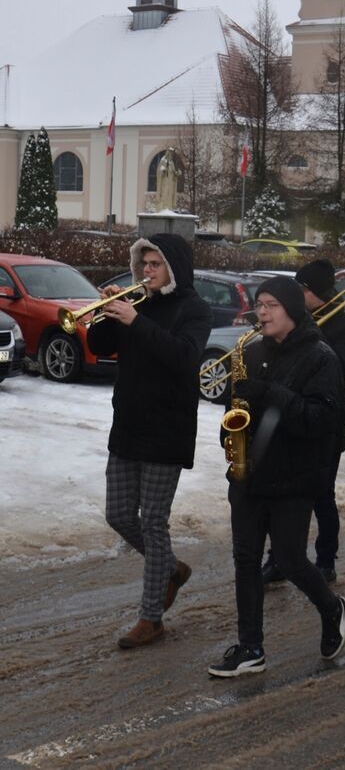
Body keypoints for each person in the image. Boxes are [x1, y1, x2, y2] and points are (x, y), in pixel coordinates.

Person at [208, 277, 345, 677]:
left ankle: (330, 607)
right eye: (258, 304)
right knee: (246, 559)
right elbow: (238, 407)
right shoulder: (250, 352)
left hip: (294, 477)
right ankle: (251, 647)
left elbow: (320, 419)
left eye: (270, 304)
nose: (261, 312)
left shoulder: (321, 357)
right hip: (248, 474)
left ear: (291, 308)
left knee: (288, 559)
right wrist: (228, 435)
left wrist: (269, 392)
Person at [87, 234, 213, 649]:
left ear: (173, 267)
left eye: (155, 265)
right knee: (119, 514)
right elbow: (98, 346)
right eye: (143, 264)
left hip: (167, 429)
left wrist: (135, 322)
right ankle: (171, 568)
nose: (146, 272)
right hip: (127, 425)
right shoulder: (135, 302)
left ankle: (150, 619)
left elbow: (184, 358)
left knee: (154, 522)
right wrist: (107, 315)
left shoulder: (193, 308)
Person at [262, 260, 345, 584]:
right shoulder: (293, 321)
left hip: (325, 425)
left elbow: (339, 368)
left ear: (312, 291)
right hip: (290, 419)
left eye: (302, 289)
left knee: (322, 496)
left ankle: (326, 560)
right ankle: (277, 559)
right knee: (280, 496)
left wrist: (310, 334)